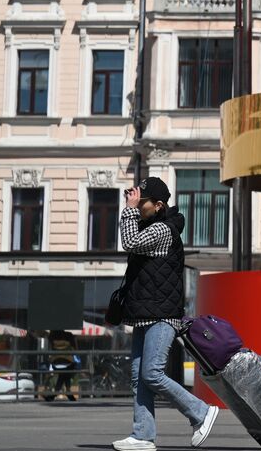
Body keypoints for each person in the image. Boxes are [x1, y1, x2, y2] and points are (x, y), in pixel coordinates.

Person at [113, 178, 219, 451]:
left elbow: (129, 242)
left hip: (162, 315)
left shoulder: (163, 229)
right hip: (143, 312)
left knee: (152, 373)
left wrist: (128, 210)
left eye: (142, 202)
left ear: (158, 206)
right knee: (139, 377)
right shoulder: (151, 224)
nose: (137, 205)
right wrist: (134, 211)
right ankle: (143, 435)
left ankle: (201, 412)